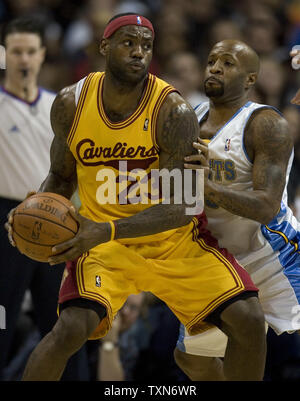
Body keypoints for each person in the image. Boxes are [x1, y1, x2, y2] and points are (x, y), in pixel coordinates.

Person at [6, 13, 267, 381]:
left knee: (250, 320)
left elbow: (183, 206)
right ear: (104, 46)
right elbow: (61, 176)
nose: (138, 52)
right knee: (67, 329)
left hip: (172, 242)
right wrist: (28, 213)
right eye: (128, 43)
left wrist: (106, 230)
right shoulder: (71, 104)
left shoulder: (172, 111)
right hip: (104, 249)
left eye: (146, 45)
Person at [174, 39, 300, 381]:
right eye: (212, 60)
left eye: (228, 63)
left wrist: (207, 188)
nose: (215, 67)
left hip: (274, 259)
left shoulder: (265, 124)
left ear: (249, 79)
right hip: (220, 262)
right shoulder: (187, 118)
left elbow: (266, 206)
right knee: (192, 358)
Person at [0, 16, 89, 381]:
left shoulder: (61, 107)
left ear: (42, 55)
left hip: (58, 219)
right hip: (6, 219)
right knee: (2, 320)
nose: (23, 59)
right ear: (5, 55)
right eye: (16, 52)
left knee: (64, 324)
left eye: (30, 52)